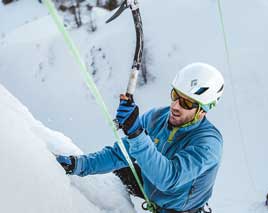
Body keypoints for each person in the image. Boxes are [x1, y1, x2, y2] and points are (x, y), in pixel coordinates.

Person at [56, 62, 224, 213]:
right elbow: (119, 154)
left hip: (180, 208)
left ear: (204, 109)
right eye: (175, 95)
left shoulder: (208, 143)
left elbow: (169, 179)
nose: (175, 106)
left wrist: (136, 133)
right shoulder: (156, 117)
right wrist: (78, 165)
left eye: (187, 103)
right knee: (118, 169)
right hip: (151, 188)